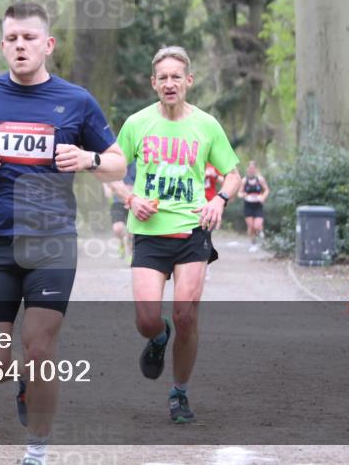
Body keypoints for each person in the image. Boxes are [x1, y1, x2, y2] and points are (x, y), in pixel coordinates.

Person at [0, 2, 125, 465]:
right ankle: (23, 384)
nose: (20, 45)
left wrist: (90, 159)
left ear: (48, 44)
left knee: (40, 346)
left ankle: (36, 451)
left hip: (52, 242)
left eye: (28, 38)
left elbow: (120, 162)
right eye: (12, 39)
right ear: (3, 45)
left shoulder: (77, 101)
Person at [111, 46, 241, 424]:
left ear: (189, 81)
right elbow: (111, 172)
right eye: (162, 78)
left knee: (187, 315)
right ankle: (158, 336)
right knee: (147, 319)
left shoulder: (206, 124)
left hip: (192, 232)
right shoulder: (137, 123)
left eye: (176, 77)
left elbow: (233, 173)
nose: (169, 83)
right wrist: (131, 199)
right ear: (154, 83)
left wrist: (218, 201)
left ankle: (179, 393)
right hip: (150, 234)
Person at [103, 162, 136, 261]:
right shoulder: (116, 159)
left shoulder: (137, 160)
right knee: (118, 228)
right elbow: (104, 174)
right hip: (118, 201)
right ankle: (121, 243)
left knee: (131, 231)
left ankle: (130, 254)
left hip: (134, 201)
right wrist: (107, 187)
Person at [238, 160, 270, 241]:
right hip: (248, 206)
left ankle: (260, 230)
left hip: (258, 205)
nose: (251, 169)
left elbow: (267, 190)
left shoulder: (260, 179)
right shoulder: (244, 180)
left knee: (256, 226)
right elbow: (239, 193)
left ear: (256, 169)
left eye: (253, 168)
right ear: (247, 169)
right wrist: (243, 195)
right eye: (250, 168)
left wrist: (263, 197)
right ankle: (253, 242)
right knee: (251, 227)